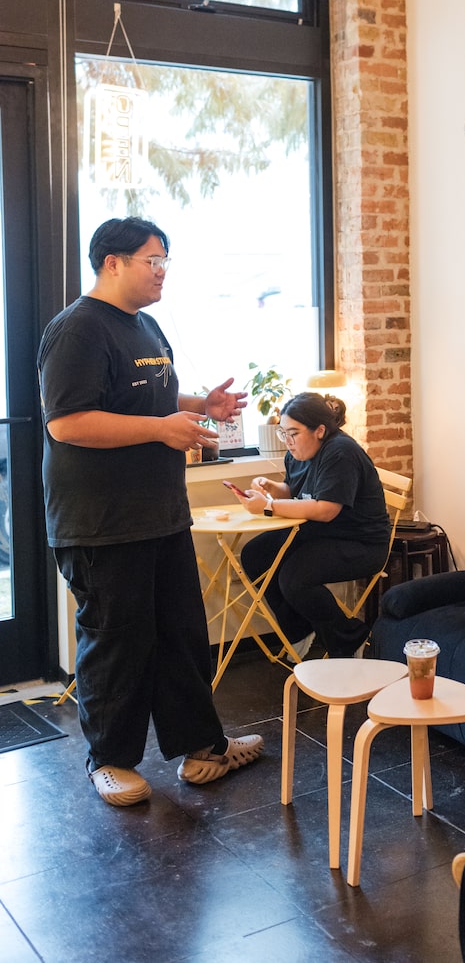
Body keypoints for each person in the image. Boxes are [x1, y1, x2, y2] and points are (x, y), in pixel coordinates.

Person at [38, 216, 263, 808]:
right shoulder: (78, 330)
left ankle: (202, 749)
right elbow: (68, 421)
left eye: (166, 261)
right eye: (152, 260)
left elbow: (148, 397)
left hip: (160, 515)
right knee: (117, 642)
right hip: (102, 524)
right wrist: (162, 428)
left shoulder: (146, 326)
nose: (163, 271)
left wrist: (199, 404)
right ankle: (108, 761)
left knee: (182, 636)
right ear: (112, 262)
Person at [233, 391, 390, 658]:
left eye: (293, 433)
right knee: (255, 555)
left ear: (319, 430)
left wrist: (269, 507)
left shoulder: (340, 452)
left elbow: (326, 509)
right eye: (283, 433)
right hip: (320, 533)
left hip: (361, 542)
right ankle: (298, 629)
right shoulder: (297, 452)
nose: (288, 442)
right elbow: (296, 490)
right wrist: (272, 488)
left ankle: (350, 639)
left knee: (294, 579)